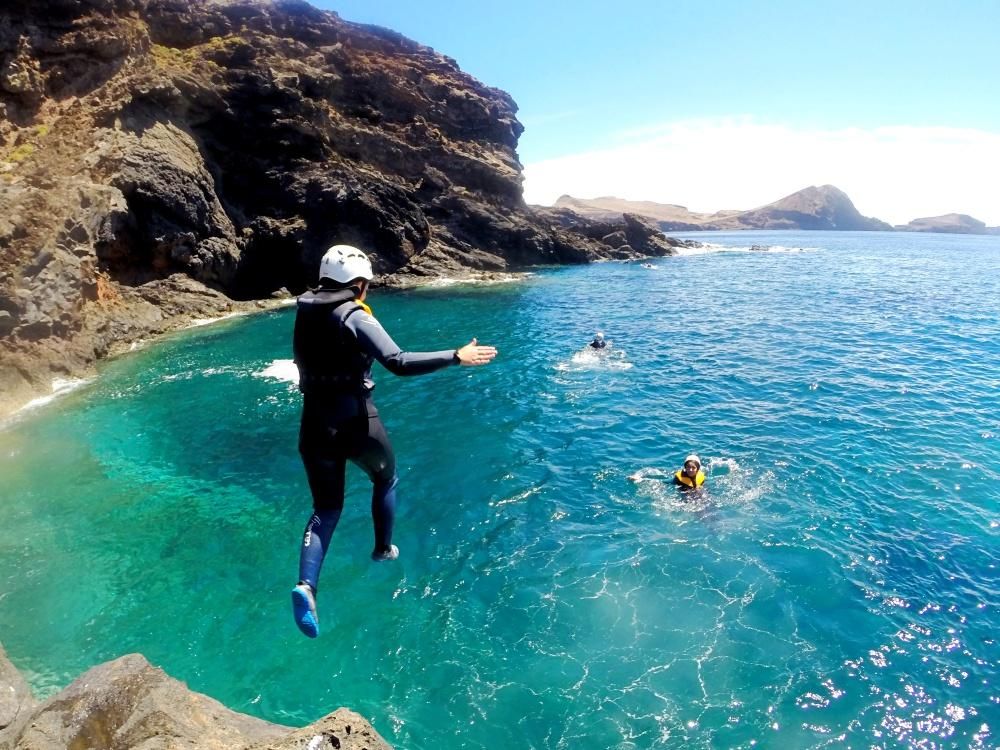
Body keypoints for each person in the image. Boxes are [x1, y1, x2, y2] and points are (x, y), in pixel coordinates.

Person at [290, 244, 497, 638]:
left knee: (326, 508)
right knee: (386, 478)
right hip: (355, 421)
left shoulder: (306, 311)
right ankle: (383, 549)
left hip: (313, 424)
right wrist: (455, 356)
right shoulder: (352, 314)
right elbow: (397, 361)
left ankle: (306, 585)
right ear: (359, 283)